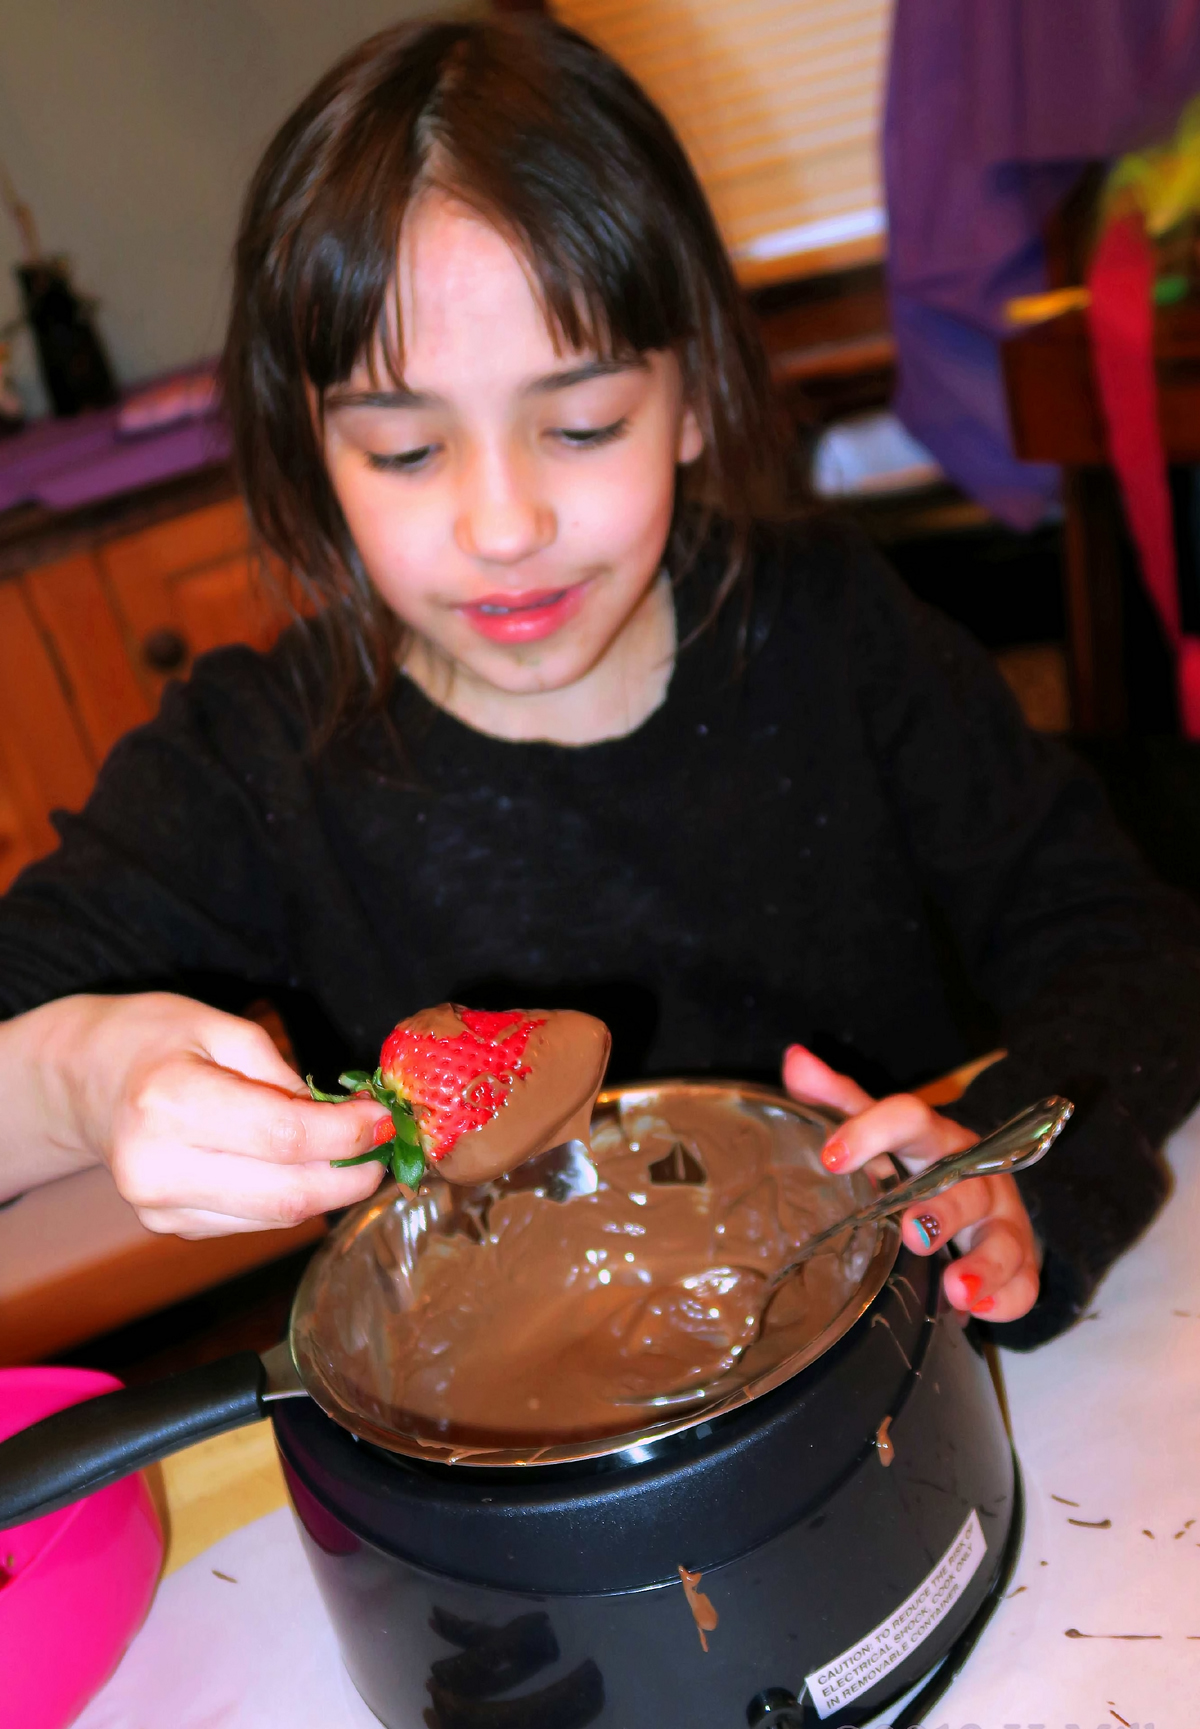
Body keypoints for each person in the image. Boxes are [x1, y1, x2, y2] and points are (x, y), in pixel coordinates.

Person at [1, 18, 1198, 1348]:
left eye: (582, 426)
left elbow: (1128, 946)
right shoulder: (248, 762)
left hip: (893, 1358)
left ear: (690, 396)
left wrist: (1004, 1164)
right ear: (315, 456)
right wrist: (84, 1078)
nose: (503, 525)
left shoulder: (832, 629)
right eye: (403, 452)